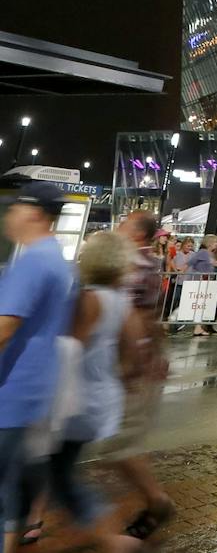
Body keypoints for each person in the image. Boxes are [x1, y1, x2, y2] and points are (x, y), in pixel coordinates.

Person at [27, 231, 143, 553]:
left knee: (53, 471)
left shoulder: (88, 298)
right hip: (100, 404)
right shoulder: (123, 304)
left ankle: (109, 537)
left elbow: (66, 349)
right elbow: (132, 361)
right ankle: (34, 522)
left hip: (69, 402)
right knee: (56, 468)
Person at [0, 182, 77, 550]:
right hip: (33, 391)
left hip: (10, 393)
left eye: (12, 208)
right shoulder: (55, 258)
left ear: (33, 213)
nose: (7, 215)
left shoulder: (31, 261)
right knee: (9, 488)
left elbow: (3, 329)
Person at [112, 210, 175, 540]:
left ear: (136, 233)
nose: (118, 227)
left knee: (120, 445)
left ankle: (157, 501)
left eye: (123, 224)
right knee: (117, 442)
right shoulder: (147, 263)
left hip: (130, 364)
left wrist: (134, 362)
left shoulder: (136, 264)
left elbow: (135, 315)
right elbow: (151, 315)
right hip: (136, 360)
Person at [187, 235, 217, 337]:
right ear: (209, 243)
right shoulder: (203, 252)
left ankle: (198, 327)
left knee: (201, 305)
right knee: (197, 303)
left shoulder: (210, 254)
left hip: (207, 281)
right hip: (200, 281)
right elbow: (191, 262)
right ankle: (175, 316)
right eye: (215, 242)